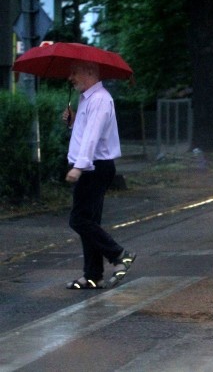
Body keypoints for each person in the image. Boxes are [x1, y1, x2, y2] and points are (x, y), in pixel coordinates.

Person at [62, 61, 136, 289]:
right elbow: (85, 132)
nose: (71, 77)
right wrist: (73, 122)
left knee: (79, 220)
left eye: (75, 71)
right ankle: (93, 274)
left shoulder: (101, 99)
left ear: (91, 72)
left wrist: (79, 166)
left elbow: (93, 137)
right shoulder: (87, 99)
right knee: (90, 221)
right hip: (91, 166)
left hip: (94, 167)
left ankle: (119, 255)